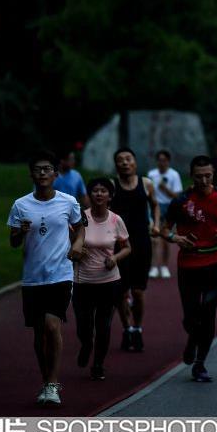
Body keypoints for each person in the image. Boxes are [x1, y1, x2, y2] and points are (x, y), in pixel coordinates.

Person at [8, 151, 85, 406]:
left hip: (60, 274)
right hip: (33, 277)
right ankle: (45, 380)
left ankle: (52, 384)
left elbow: (80, 227)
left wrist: (78, 244)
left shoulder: (68, 202)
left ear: (56, 174)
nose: (42, 173)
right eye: (38, 169)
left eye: (47, 169)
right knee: (39, 333)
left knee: (53, 326)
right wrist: (20, 232)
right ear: (31, 174)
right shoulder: (20, 205)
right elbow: (13, 242)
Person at [160, 155, 217, 383]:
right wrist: (176, 238)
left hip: (214, 261)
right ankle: (192, 338)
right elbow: (164, 229)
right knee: (191, 317)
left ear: (213, 175)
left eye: (208, 176)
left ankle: (200, 363)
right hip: (188, 263)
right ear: (191, 176)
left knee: (208, 313)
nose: (204, 181)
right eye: (199, 176)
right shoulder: (180, 201)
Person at [73, 178, 130, 381]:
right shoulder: (80, 218)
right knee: (83, 325)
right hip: (82, 282)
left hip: (109, 282)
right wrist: (76, 251)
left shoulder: (116, 220)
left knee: (104, 325)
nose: (99, 194)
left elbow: (127, 248)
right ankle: (86, 344)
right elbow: (69, 244)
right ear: (89, 195)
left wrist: (115, 258)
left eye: (103, 191)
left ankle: (98, 364)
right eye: (95, 191)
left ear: (110, 196)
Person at [111, 148, 161, 353]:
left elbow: (155, 205)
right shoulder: (112, 185)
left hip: (141, 242)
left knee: (138, 292)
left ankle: (138, 328)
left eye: (128, 159)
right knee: (121, 292)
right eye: (120, 160)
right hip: (118, 243)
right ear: (116, 165)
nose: (125, 162)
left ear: (135, 162)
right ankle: (127, 329)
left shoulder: (146, 183)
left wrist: (156, 224)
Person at [148, 150, 182, 279]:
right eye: (159, 160)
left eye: (164, 160)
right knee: (154, 239)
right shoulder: (151, 174)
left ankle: (164, 266)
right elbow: (148, 193)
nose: (162, 163)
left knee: (166, 239)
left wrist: (165, 189)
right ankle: (154, 267)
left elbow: (177, 196)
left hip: (169, 207)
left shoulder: (174, 175)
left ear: (168, 161)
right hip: (155, 207)